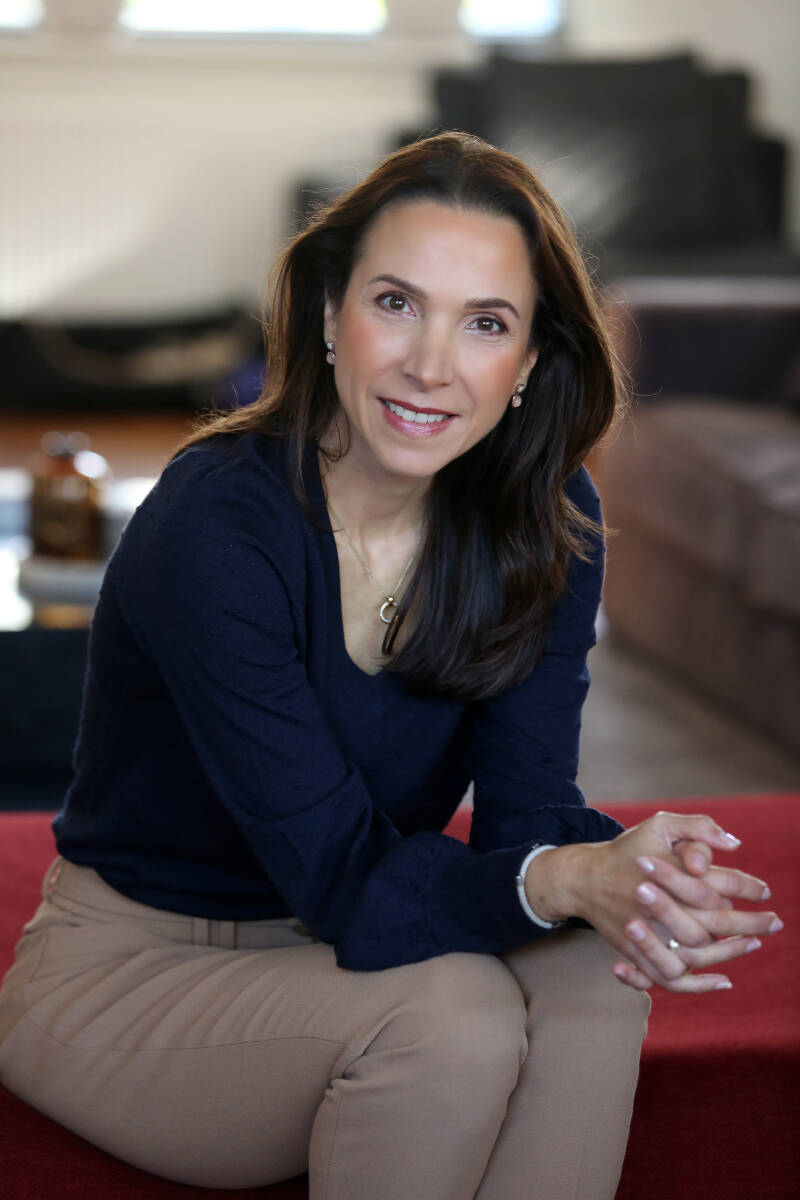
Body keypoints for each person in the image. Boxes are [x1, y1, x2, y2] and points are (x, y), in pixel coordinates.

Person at [0, 132, 782, 1199]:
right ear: (330, 315)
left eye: (485, 323)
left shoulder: (546, 517)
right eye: (397, 304)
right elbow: (339, 874)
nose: (430, 365)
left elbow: (525, 818)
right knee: (454, 1016)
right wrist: (563, 879)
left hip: (346, 948)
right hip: (136, 972)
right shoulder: (215, 523)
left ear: (530, 361)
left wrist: (638, 883)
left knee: (592, 963)